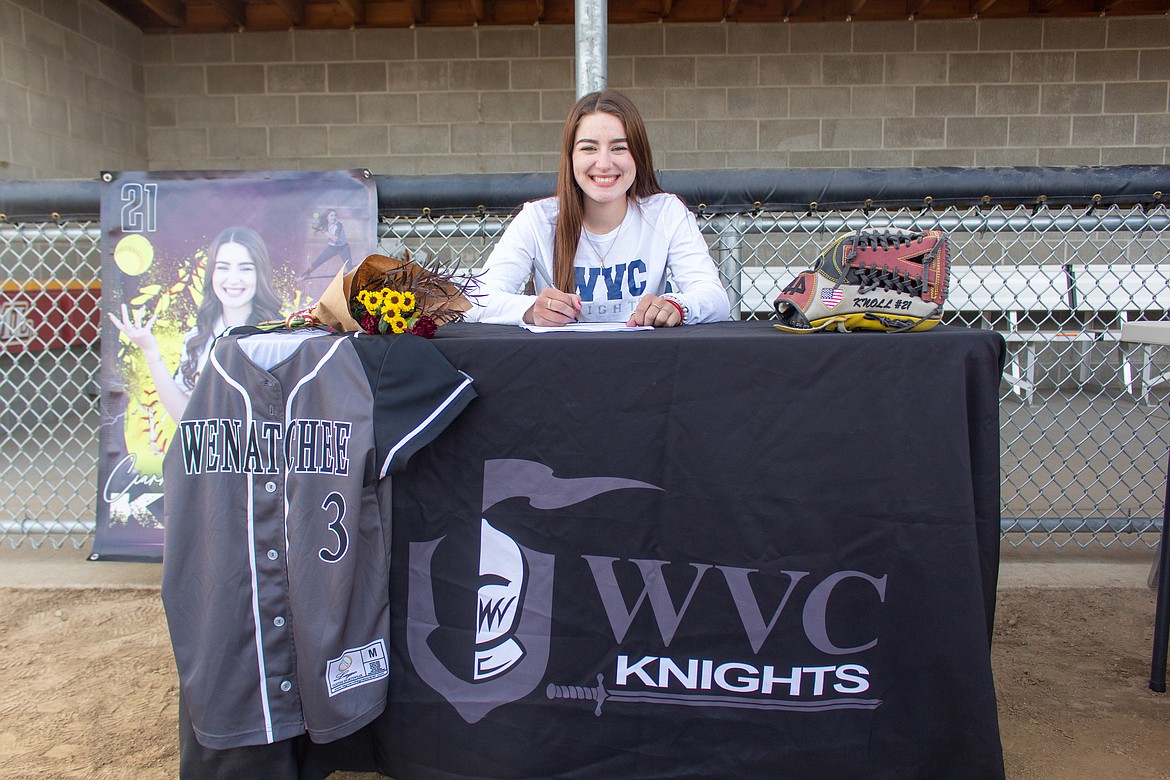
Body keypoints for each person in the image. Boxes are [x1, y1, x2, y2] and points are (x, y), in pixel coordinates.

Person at [466, 89, 730, 328]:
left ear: (638, 155)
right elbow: (474, 301)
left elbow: (714, 297)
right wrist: (530, 310)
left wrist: (677, 306)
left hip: (645, 365)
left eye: (619, 147)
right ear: (570, 158)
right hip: (560, 366)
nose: (604, 163)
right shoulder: (538, 219)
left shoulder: (666, 213)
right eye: (589, 148)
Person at [108, 226, 283, 422]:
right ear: (211, 274)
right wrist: (150, 351)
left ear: (260, 274)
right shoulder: (197, 338)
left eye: (245, 268)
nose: (233, 279)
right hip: (213, 451)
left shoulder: (279, 338)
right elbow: (184, 418)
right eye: (223, 267)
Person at [302, 208, 352, 279]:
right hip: (332, 248)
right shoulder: (325, 223)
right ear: (327, 217)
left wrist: (324, 231)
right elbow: (314, 224)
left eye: (335, 216)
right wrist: (314, 225)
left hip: (343, 248)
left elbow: (335, 239)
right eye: (331, 216)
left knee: (349, 267)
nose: (334, 217)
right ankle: (306, 273)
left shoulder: (339, 225)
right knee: (318, 261)